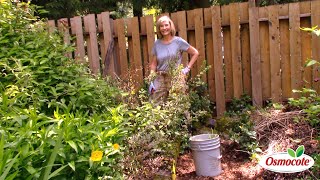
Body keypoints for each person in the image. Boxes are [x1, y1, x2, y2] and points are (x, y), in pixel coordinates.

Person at [148, 15, 199, 103]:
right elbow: (154, 63)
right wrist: (151, 79)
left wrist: (186, 69)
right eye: (161, 26)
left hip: (175, 76)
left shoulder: (178, 41)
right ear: (159, 28)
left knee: (178, 104)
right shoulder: (157, 44)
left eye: (166, 25)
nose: (164, 28)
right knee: (156, 105)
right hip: (160, 77)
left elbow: (195, 53)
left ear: (170, 26)